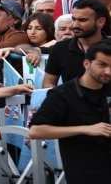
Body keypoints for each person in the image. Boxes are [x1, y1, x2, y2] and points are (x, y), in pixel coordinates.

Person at [29, 41, 111, 183]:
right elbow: (36, 131)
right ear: (87, 64)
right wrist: (86, 129)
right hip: (86, 174)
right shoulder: (63, 94)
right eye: (102, 65)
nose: (108, 71)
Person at [45, 0, 110, 87]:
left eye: (82, 20)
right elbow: (48, 83)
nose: (75, 25)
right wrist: (63, 98)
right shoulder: (60, 48)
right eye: (74, 19)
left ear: (100, 22)